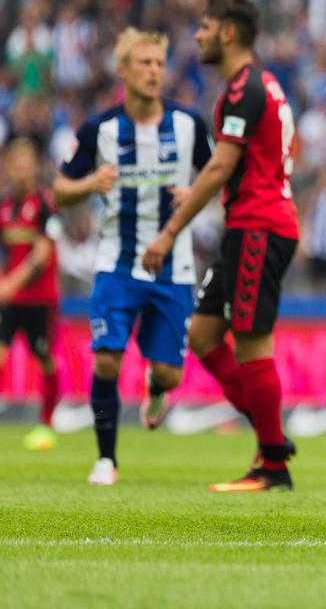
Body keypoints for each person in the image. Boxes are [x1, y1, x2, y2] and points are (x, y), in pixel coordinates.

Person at [142, 0, 300, 493]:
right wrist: (205, 191)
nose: (198, 35)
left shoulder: (243, 88)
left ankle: (272, 464)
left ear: (228, 33)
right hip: (249, 223)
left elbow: (221, 165)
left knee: (251, 342)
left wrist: (171, 230)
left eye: (205, 27)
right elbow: (246, 163)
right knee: (204, 335)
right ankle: (271, 437)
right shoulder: (260, 84)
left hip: (259, 226)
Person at [54, 28, 212, 485]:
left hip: (173, 266)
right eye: (144, 63)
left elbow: (218, 176)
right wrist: (90, 184)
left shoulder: (188, 125)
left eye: (159, 63)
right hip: (116, 263)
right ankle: (106, 458)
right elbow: (60, 190)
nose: (153, 71)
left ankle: (156, 388)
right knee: (106, 358)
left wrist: (197, 194)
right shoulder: (99, 129)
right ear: (123, 70)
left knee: (169, 372)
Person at [0, 137, 62, 450]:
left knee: (44, 360)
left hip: (40, 299)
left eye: (27, 163)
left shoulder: (46, 205)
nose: (21, 169)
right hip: (10, 301)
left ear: (35, 167)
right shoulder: (4, 206)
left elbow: (42, 255)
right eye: (16, 163)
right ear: (8, 167)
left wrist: (10, 283)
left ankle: (47, 424)